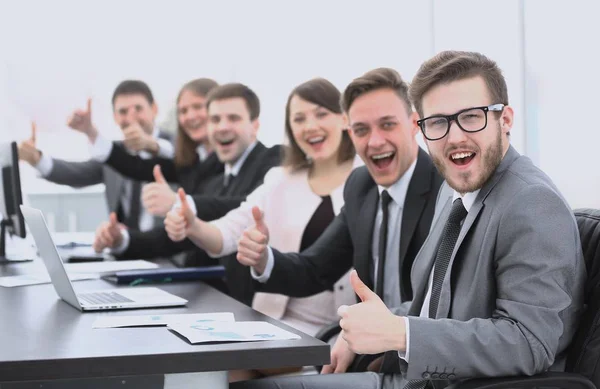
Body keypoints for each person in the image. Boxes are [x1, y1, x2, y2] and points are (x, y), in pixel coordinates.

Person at [232, 51, 586, 389]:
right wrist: (365, 328)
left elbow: (530, 343)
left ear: (505, 120)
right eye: (438, 122)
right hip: (419, 378)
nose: (455, 136)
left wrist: (400, 334)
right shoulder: (457, 188)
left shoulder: (531, 202)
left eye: (472, 116)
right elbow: (432, 301)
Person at [228, 68, 442, 375]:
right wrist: (264, 259)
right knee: (235, 368)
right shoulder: (361, 185)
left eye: (387, 125)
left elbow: (439, 302)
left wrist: (359, 333)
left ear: (413, 124)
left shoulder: (443, 188)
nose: (375, 141)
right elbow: (315, 269)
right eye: (361, 130)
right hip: (362, 343)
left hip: (415, 350)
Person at [164, 78, 361, 379]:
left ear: (343, 118)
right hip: (271, 324)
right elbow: (227, 234)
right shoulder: (280, 178)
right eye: (299, 118)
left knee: (227, 368)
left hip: (334, 330)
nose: (310, 125)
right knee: (208, 366)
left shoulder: (364, 179)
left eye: (321, 114)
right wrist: (193, 226)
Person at [92, 83, 281, 275]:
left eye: (233, 118)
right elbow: (183, 236)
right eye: (215, 119)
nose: (222, 127)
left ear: (255, 125)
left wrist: (180, 204)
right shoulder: (209, 172)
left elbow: (249, 207)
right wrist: (121, 239)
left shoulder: (274, 160)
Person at [18, 80, 173, 231]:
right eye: (123, 111)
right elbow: (76, 173)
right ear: (115, 117)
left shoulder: (179, 149)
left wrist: (151, 145)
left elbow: (178, 157)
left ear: (154, 109)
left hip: (169, 253)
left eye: (138, 109)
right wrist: (37, 159)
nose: (131, 117)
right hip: (126, 251)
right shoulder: (114, 155)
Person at [89, 78, 224, 218]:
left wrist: (178, 202)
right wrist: (90, 133)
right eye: (183, 111)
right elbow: (136, 167)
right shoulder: (193, 160)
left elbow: (230, 207)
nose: (190, 116)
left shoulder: (230, 157)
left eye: (197, 107)